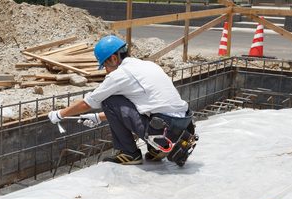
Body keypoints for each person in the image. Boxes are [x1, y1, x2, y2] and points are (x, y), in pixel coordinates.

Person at [48, 35, 196, 166]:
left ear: (113, 58)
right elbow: (142, 106)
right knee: (138, 104)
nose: (106, 70)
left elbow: (89, 102)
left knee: (109, 100)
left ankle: (129, 153)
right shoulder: (148, 65)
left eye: (105, 65)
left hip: (164, 131)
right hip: (183, 127)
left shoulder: (120, 74)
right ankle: (156, 149)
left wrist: (60, 114)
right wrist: (98, 117)